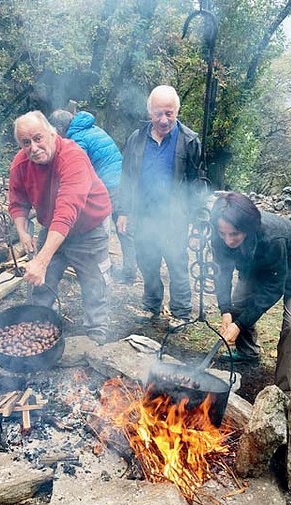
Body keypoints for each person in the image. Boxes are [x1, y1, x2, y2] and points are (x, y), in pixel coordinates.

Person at [8, 110, 112, 345]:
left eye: (38, 138)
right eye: (26, 142)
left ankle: (96, 333)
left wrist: (41, 261)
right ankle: (40, 324)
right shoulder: (20, 164)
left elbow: (67, 212)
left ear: (52, 133)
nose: (34, 147)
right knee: (41, 282)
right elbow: (17, 202)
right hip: (52, 224)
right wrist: (22, 232)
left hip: (89, 226)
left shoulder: (73, 157)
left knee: (94, 281)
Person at [210, 191, 291, 392]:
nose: (228, 241)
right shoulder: (221, 232)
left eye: (234, 234)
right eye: (223, 234)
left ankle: (283, 389)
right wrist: (225, 310)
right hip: (261, 262)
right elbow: (221, 272)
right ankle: (248, 352)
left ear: (248, 229)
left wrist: (240, 324)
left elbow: (273, 287)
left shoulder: (271, 237)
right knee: (238, 305)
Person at [116, 85, 202, 327]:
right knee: (147, 261)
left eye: (169, 113)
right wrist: (123, 211)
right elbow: (127, 177)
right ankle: (151, 305)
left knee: (177, 263)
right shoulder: (136, 139)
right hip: (143, 214)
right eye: (158, 113)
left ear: (177, 111)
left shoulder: (189, 140)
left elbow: (196, 184)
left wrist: (196, 220)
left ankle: (181, 313)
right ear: (149, 112)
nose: (164, 120)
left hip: (174, 216)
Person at [48, 109, 137, 284]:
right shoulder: (90, 127)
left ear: (60, 128)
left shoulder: (77, 139)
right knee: (122, 226)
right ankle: (129, 270)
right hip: (121, 179)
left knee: (101, 224)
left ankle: (115, 271)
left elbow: (74, 169)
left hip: (110, 184)